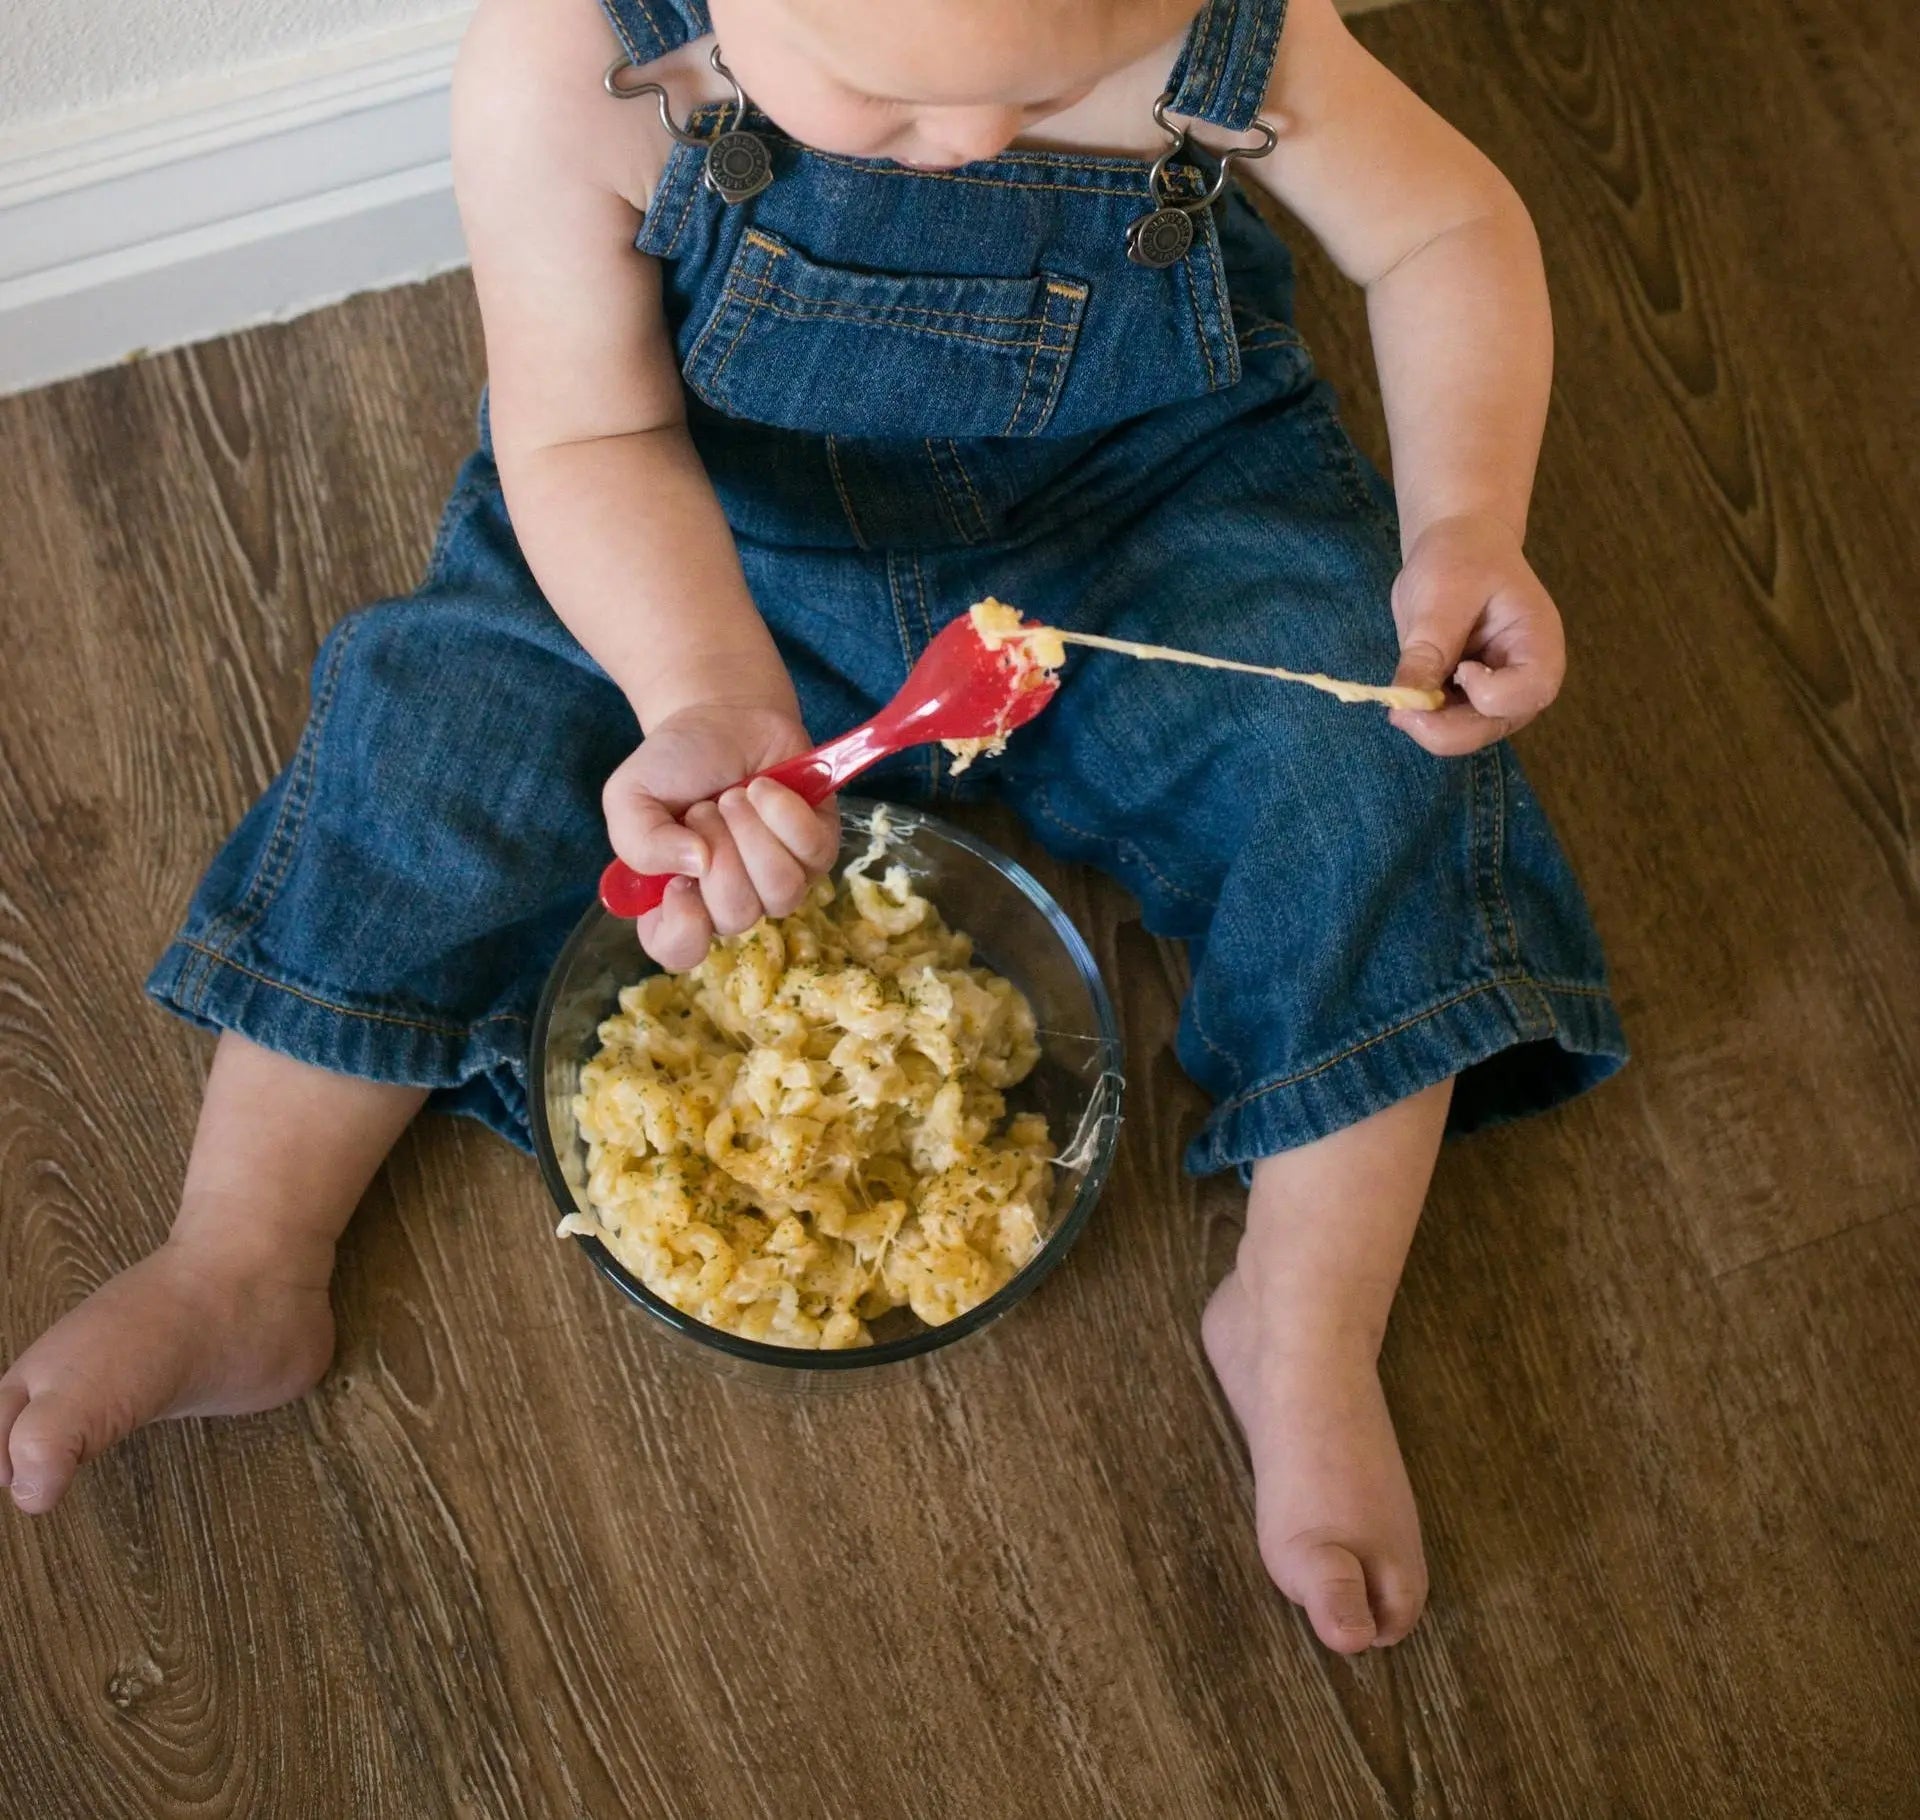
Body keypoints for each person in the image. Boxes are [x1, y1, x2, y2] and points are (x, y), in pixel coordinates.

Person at [0, 0, 1625, 1652]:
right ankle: (243, 1255)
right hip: (694, 526)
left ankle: (1306, 1313)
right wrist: (700, 688)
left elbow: (1445, 229)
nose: (980, 138)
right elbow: (586, 432)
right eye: (889, 94)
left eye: (1055, 87)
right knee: (439, 736)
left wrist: (1468, 526)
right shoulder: (576, 64)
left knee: (1370, 772)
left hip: (1147, 504)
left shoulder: (1238, 35)